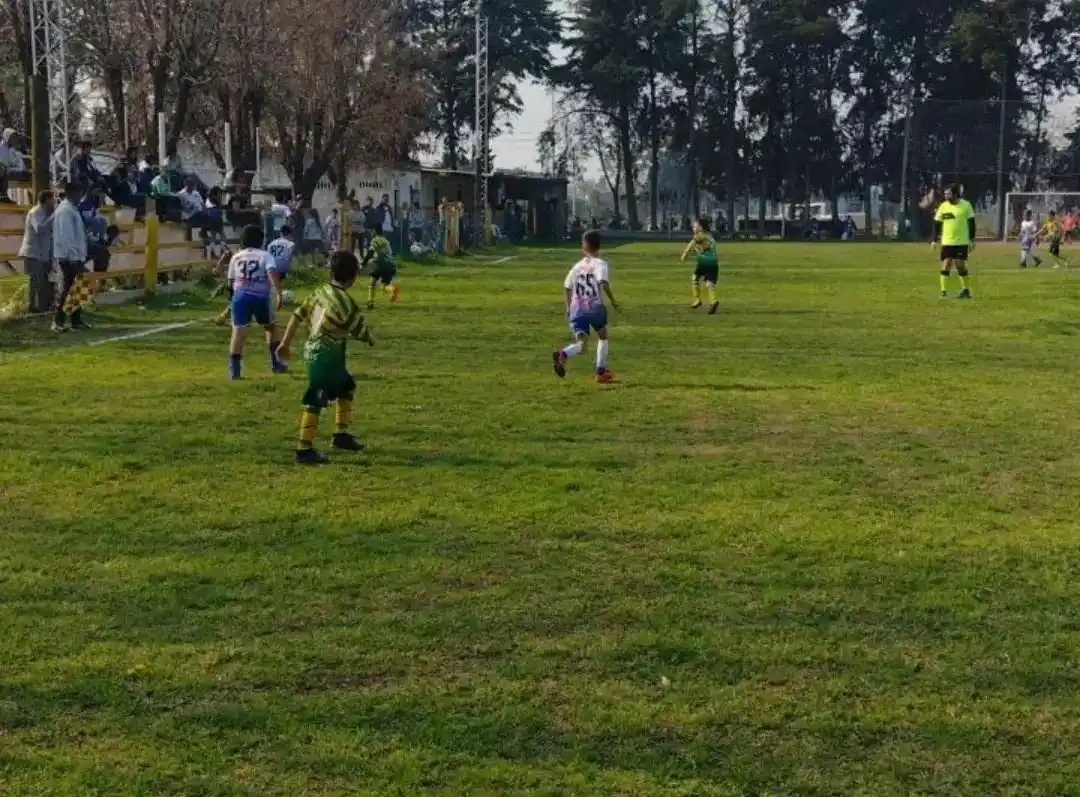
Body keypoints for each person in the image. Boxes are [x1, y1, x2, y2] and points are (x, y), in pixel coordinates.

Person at [276, 249, 373, 464]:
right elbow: (360, 330)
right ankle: (304, 448)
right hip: (325, 356)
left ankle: (341, 435)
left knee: (346, 387)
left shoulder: (319, 292)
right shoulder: (347, 303)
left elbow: (297, 315)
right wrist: (369, 338)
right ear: (354, 276)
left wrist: (285, 343)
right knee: (315, 399)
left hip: (319, 352)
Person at [552, 229, 618, 383]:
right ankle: (601, 371)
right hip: (594, 307)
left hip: (577, 309)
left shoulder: (577, 266)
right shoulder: (600, 264)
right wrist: (613, 301)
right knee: (603, 336)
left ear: (583, 246)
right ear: (599, 247)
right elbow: (603, 283)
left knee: (582, 344)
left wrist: (568, 307)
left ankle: (564, 354)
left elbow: (567, 287)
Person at [224, 225, 288, 379]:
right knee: (270, 328)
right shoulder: (265, 255)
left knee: (238, 331)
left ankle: (235, 371)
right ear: (261, 240)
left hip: (240, 297)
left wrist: (233, 299)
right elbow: (272, 272)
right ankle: (275, 364)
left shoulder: (237, 256)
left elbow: (230, 282)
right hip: (260, 297)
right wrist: (279, 293)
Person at [52, 180, 90, 331]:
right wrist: (74, 258)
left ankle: (76, 320)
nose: (81, 196)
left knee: (77, 288)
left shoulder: (72, 209)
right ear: (72, 193)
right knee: (69, 289)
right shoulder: (65, 211)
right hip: (68, 258)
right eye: (80, 192)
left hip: (75, 256)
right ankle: (58, 321)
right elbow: (66, 237)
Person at [932, 183, 975, 299]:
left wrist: (972, 240)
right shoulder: (943, 206)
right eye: (945, 194)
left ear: (955, 194)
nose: (946, 196)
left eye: (948, 194)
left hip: (961, 241)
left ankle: (966, 290)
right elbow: (937, 223)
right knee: (946, 265)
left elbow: (971, 223)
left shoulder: (966, 205)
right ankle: (943, 292)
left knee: (960, 265)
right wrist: (934, 240)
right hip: (947, 242)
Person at [18, 190, 56, 313]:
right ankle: (30, 307)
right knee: (34, 282)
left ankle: (43, 306)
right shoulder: (35, 212)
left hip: (43, 254)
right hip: (33, 253)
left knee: (44, 281)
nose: (54, 202)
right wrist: (52, 218)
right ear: (46, 200)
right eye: (52, 199)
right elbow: (39, 228)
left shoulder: (46, 213)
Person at [680, 216, 720, 314]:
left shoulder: (700, 235)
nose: (693, 228)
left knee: (695, 278)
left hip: (704, 262)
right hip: (713, 263)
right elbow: (703, 247)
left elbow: (691, 244)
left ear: (700, 227)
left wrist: (684, 254)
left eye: (694, 226)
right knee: (710, 283)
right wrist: (697, 250)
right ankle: (714, 301)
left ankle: (697, 300)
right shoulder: (709, 235)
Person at [361, 229, 400, 309]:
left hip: (380, 263)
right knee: (384, 285)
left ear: (374, 231)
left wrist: (363, 264)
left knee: (372, 283)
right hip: (391, 264)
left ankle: (370, 302)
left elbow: (370, 252)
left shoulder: (375, 240)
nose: (371, 232)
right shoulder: (385, 240)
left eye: (371, 231)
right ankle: (392, 289)